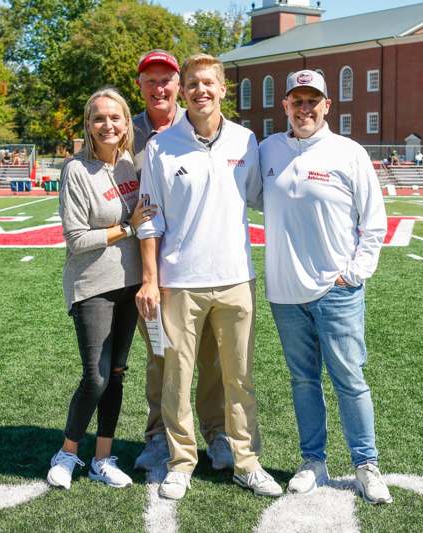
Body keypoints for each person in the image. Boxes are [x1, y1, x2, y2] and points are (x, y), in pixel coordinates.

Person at [136, 54, 279, 501]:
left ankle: (246, 460)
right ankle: (181, 462)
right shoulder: (161, 145)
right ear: (185, 90)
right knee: (176, 376)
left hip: (237, 276)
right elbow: (149, 218)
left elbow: (262, 198)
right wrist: (151, 279)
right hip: (180, 280)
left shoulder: (245, 139)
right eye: (194, 84)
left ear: (222, 90)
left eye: (208, 84)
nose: (201, 91)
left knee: (239, 377)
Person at [259, 69, 392, 504]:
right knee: (302, 381)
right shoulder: (268, 151)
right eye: (297, 100)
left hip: (336, 291)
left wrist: (352, 274)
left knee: (350, 379)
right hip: (284, 292)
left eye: (313, 100)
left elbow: (374, 223)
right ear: (285, 105)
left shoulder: (348, 153)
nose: (305, 108)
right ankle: (313, 461)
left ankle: (365, 463)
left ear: (327, 106)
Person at [47, 88, 156, 491]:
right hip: (92, 285)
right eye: (99, 118)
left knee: (116, 373)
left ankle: (102, 458)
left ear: (127, 122)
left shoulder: (130, 163)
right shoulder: (76, 170)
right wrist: (126, 227)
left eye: (115, 117)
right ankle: (68, 452)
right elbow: (76, 239)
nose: (107, 125)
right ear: (88, 125)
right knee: (95, 376)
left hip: (130, 285)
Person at [130, 49, 233, 474]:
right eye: (150, 80)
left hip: (201, 264)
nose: (159, 88)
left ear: (179, 85)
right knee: (161, 356)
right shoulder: (125, 128)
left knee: (210, 357)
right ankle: (159, 436)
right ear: (140, 86)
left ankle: (217, 432)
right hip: (145, 265)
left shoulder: (202, 125)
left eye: (166, 80)